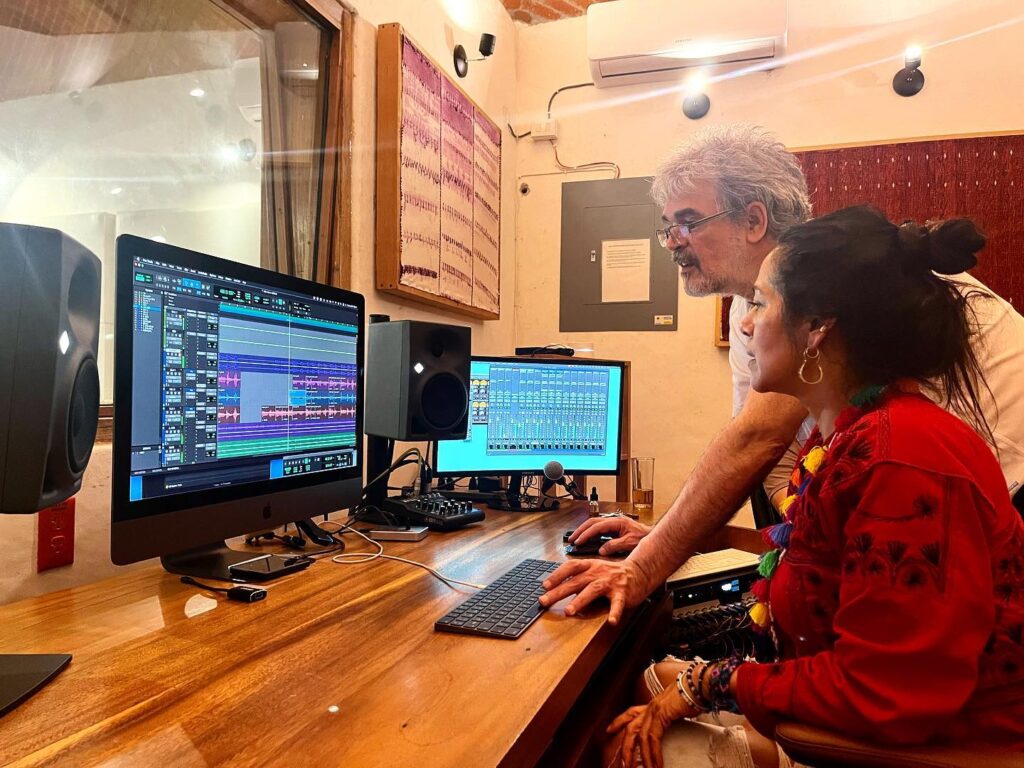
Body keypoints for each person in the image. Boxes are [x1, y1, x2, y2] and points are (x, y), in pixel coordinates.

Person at [540, 125, 1024, 626]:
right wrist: (671, 537)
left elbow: (756, 441)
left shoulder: (835, 285)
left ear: (753, 220)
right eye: (667, 227)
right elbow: (771, 461)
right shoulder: (749, 308)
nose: (671, 242)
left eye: (687, 222)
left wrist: (643, 567)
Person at [606, 206, 1024, 766]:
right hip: (882, 720)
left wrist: (707, 683)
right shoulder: (853, 434)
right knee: (652, 680)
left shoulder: (900, 457)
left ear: (816, 329)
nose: (745, 325)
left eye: (760, 304)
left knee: (627, 747)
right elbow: (823, 566)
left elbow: (886, 694)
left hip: (943, 743)